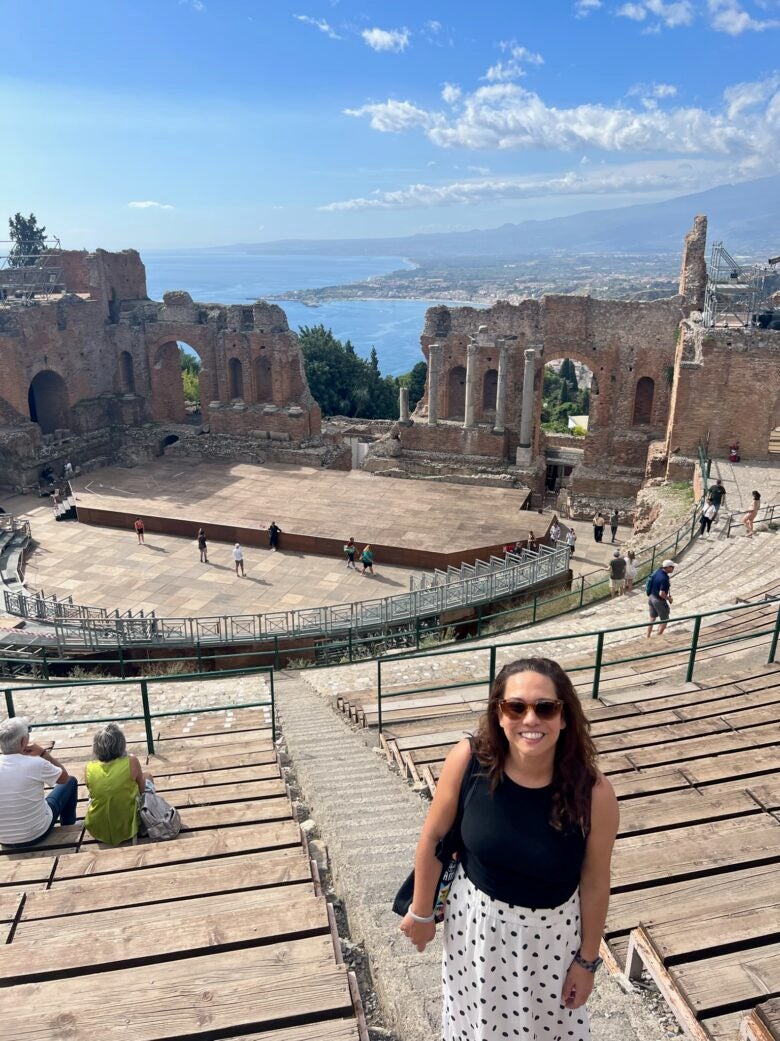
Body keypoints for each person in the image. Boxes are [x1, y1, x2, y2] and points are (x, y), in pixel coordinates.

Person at [400, 658, 618, 1041]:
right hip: (475, 931)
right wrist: (420, 912)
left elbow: (596, 881)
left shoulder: (594, 793)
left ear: (564, 718)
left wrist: (587, 962)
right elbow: (433, 837)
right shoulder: (468, 759)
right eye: (516, 707)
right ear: (499, 714)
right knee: (476, 1029)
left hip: (551, 942)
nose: (530, 719)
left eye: (545, 708)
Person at [0, 717, 78, 848]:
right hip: (36, 834)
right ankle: (68, 827)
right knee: (71, 781)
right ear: (24, 740)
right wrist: (43, 753)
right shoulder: (36, 763)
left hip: (4, 838)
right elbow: (64, 778)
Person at [84, 722, 155, 847]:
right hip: (129, 826)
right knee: (148, 776)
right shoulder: (131, 761)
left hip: (98, 828)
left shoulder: (88, 768)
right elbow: (142, 790)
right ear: (121, 744)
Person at [647, 559, 676, 637]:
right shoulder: (664, 579)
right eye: (672, 567)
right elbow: (661, 594)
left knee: (652, 618)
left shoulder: (657, 571)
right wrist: (669, 599)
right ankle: (658, 636)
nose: (673, 569)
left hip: (651, 597)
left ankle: (648, 636)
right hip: (658, 601)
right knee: (664, 620)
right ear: (668, 567)